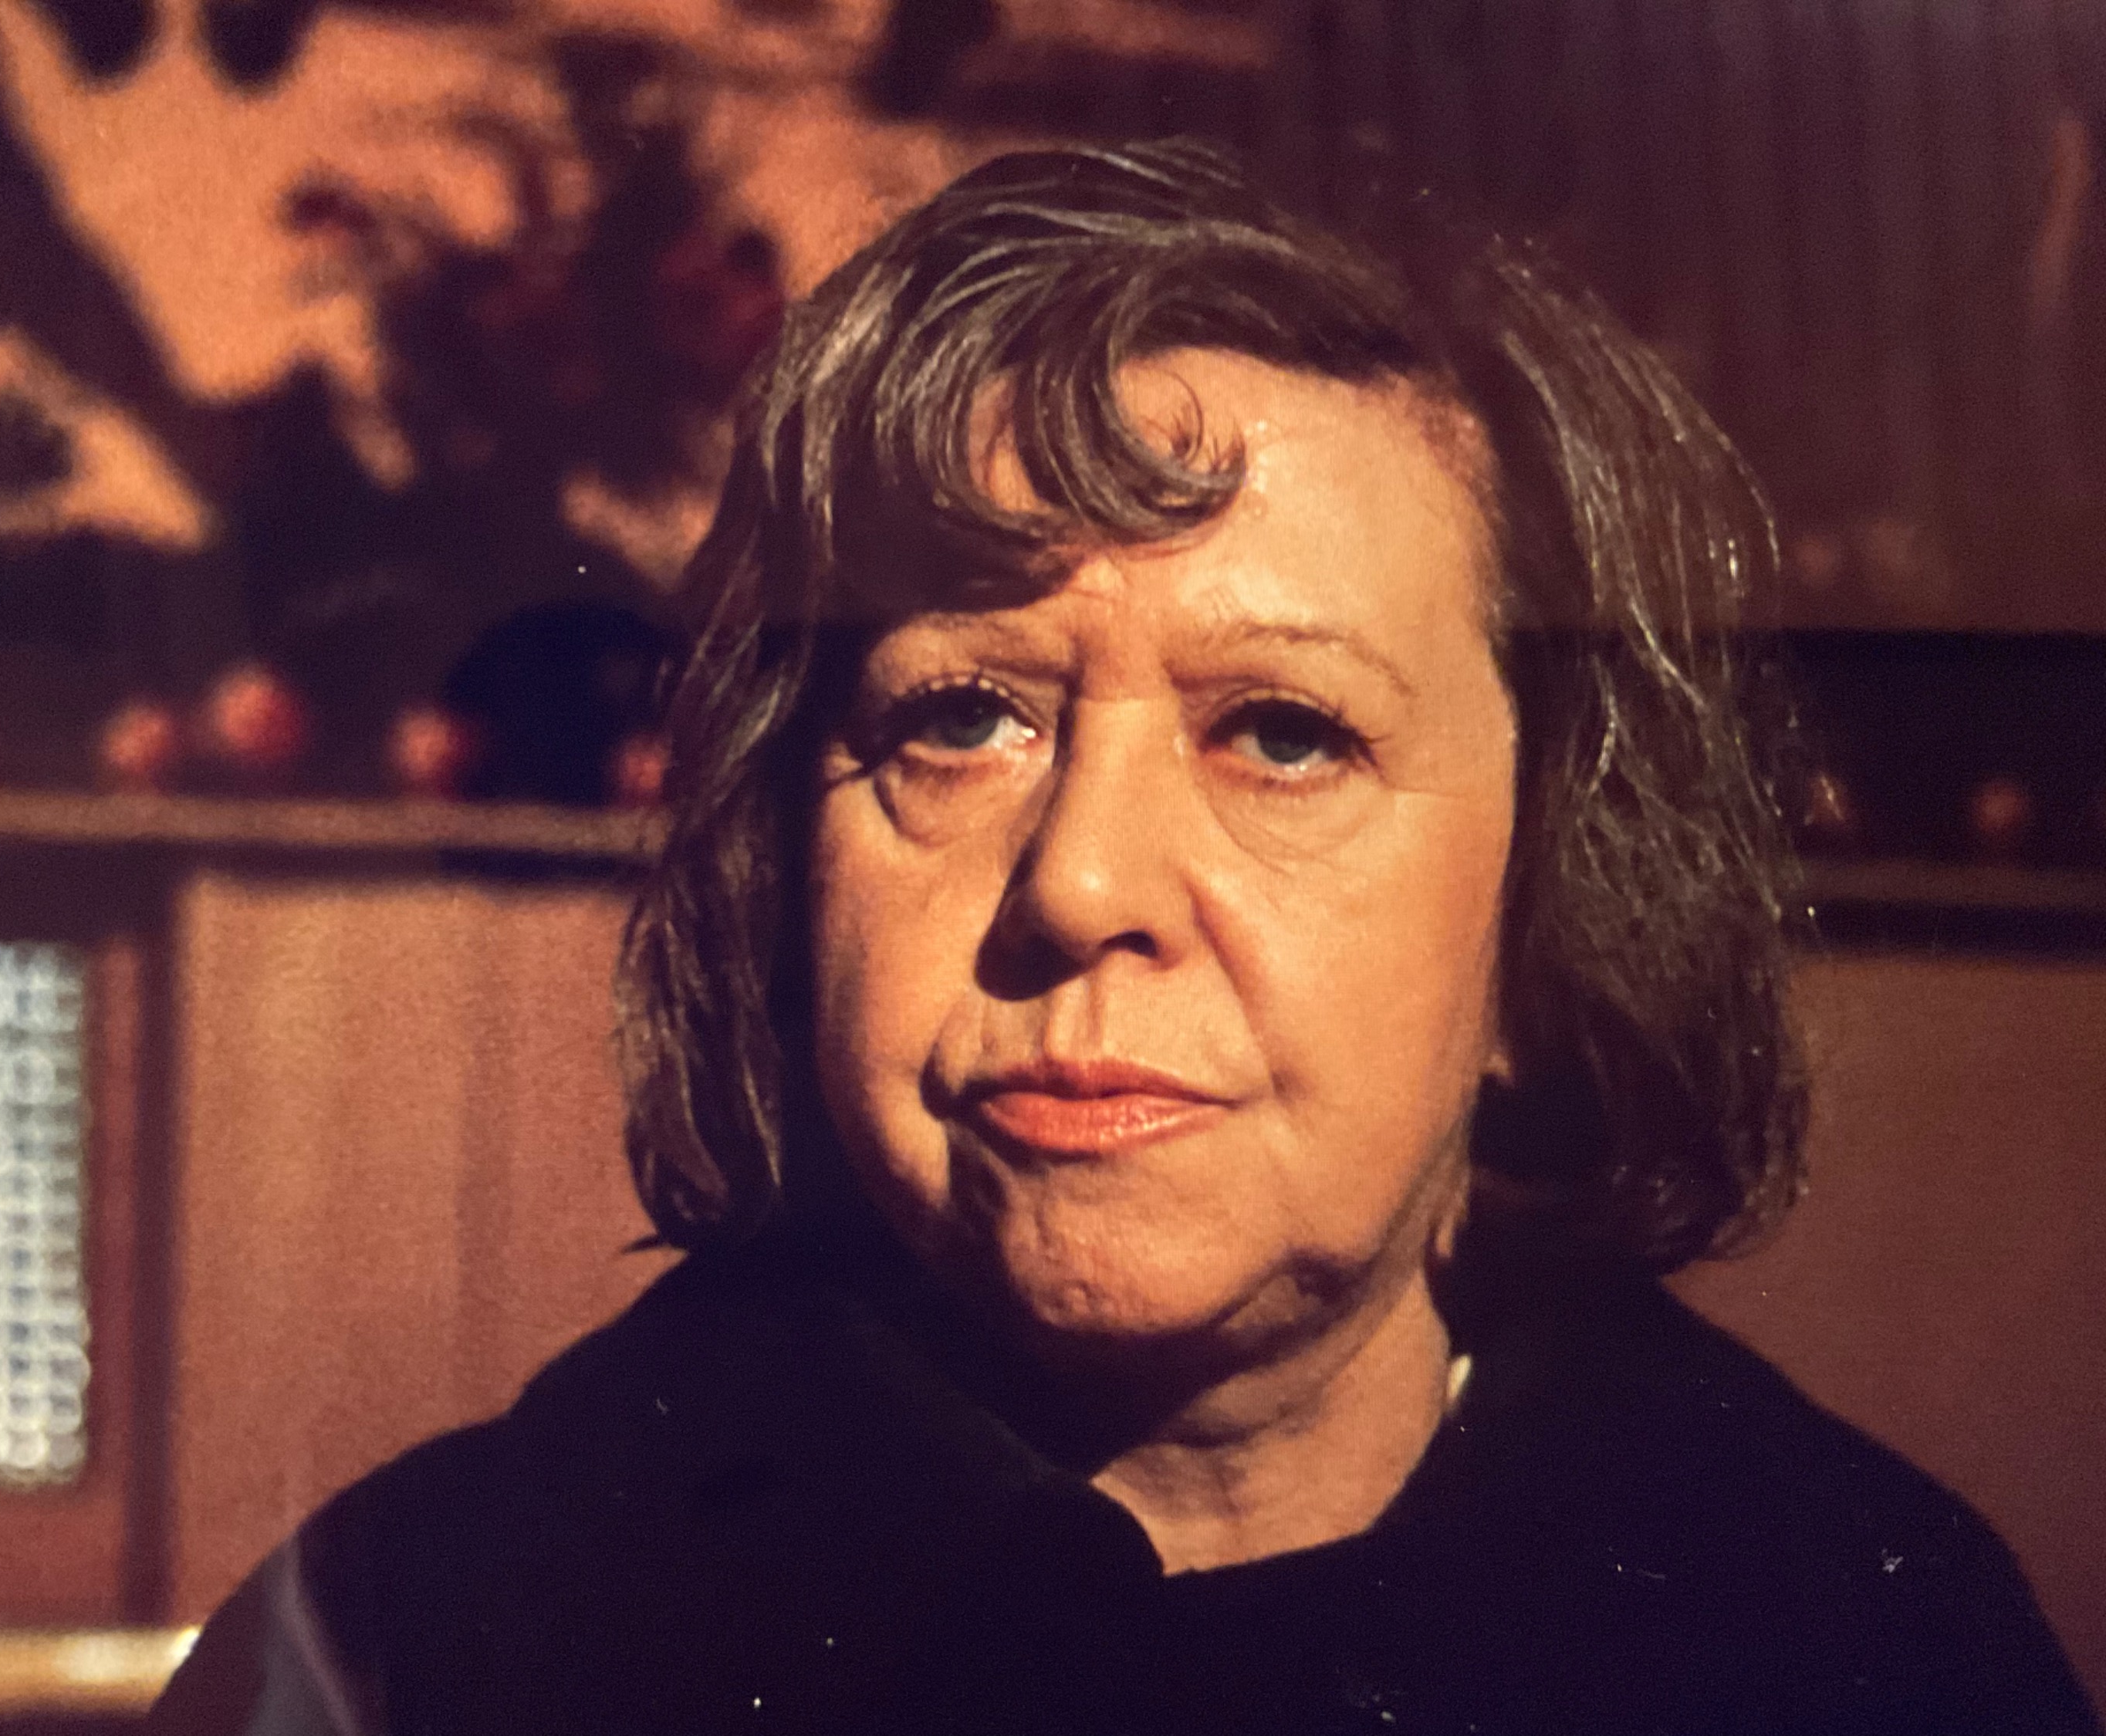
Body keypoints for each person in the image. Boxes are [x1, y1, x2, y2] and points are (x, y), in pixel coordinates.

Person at [150, 140, 2100, 1735]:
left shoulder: (1867, 1648)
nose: (1083, 881)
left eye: (1285, 734)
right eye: (960, 717)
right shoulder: (410, 1655)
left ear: (1551, 918)